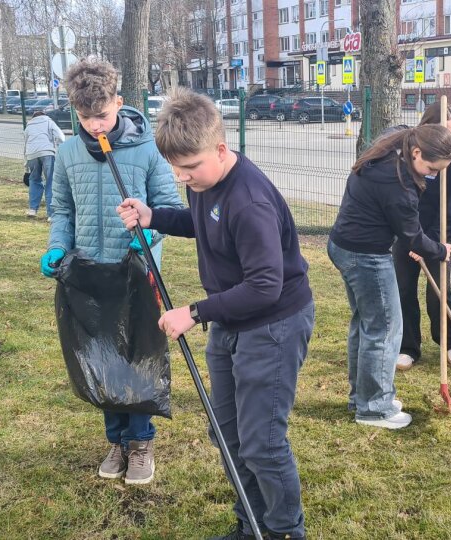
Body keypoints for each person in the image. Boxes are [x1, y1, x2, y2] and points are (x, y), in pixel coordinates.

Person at [115, 89, 314, 540]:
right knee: (227, 434)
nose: (183, 177)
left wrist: (194, 312)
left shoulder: (249, 201)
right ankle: (252, 525)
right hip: (231, 322)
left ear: (221, 149)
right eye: (176, 168)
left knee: (262, 443)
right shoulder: (206, 183)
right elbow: (202, 221)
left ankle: (284, 532)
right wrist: (153, 216)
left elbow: (265, 286)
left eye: (190, 167)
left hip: (274, 325)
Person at [41, 57, 184, 485]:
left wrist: (150, 233)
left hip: (136, 270)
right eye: (85, 118)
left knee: (136, 354)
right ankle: (117, 439)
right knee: (101, 354)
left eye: (101, 115)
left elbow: (168, 208)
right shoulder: (68, 153)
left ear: (118, 102)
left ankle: (141, 441)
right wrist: (58, 246)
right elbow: (62, 209)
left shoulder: (148, 150)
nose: (95, 125)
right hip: (90, 272)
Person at [328, 125, 451, 430]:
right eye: (431, 169)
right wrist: (440, 250)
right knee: (385, 330)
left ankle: (362, 398)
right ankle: (375, 408)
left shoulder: (393, 144)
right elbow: (412, 237)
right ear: (416, 153)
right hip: (365, 256)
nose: (433, 176)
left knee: (366, 324)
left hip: (344, 245)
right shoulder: (397, 182)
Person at [393, 106, 451, 371]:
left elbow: (449, 211)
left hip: (438, 237)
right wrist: (413, 240)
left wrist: (431, 244)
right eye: (444, 132)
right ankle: (407, 347)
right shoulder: (408, 160)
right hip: (406, 234)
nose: (449, 140)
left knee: (440, 291)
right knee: (403, 290)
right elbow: (401, 205)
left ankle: (450, 341)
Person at [23, 110, 65, 218]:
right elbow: (60, 136)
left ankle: (33, 209)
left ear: (33, 117)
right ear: (44, 115)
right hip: (47, 153)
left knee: (34, 180)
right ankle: (51, 214)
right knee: (50, 182)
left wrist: (25, 165)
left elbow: (25, 145)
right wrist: (59, 148)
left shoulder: (29, 126)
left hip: (31, 155)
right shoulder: (49, 122)